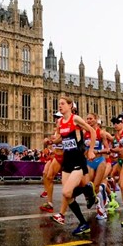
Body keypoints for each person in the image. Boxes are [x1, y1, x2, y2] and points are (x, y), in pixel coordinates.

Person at [46, 96, 98, 236]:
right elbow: (59, 138)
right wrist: (50, 141)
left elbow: (92, 132)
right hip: (67, 160)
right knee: (68, 195)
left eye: (62, 104)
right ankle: (83, 223)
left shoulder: (75, 119)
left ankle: (87, 190)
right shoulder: (60, 122)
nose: (60, 106)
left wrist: (91, 150)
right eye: (59, 104)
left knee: (66, 192)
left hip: (78, 159)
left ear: (70, 106)